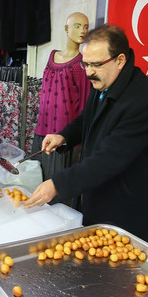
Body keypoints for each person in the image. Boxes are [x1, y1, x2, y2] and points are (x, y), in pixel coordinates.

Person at [24, 24, 148, 251]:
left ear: (120, 60)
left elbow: (109, 159)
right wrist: (64, 136)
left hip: (131, 204)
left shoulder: (143, 101)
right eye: (85, 63)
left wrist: (58, 184)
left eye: (95, 64)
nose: (88, 72)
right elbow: (88, 118)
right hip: (101, 193)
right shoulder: (103, 81)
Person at [32, 12, 91, 181]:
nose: (82, 31)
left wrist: (77, 141)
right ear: (66, 28)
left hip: (61, 134)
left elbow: (84, 105)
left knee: (55, 186)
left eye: (86, 27)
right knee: (36, 179)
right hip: (42, 128)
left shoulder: (82, 64)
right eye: (77, 26)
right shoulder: (52, 56)